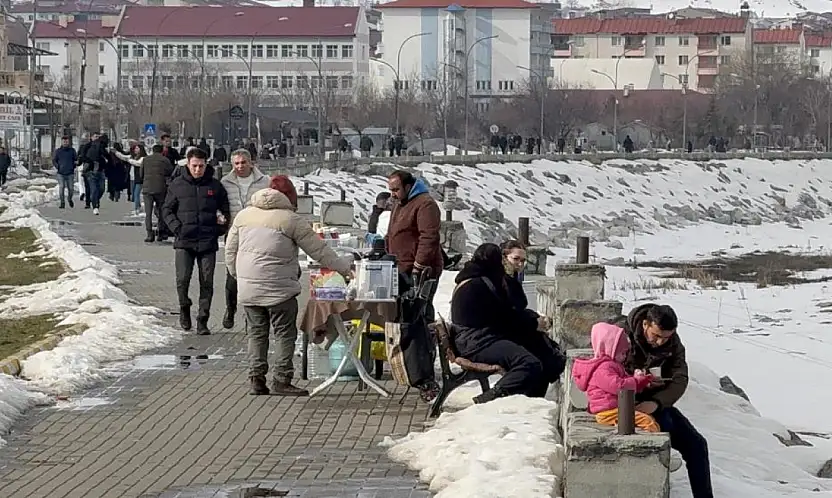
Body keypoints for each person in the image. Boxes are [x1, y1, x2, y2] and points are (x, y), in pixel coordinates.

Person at [225, 175, 352, 396]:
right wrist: (345, 269)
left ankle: (256, 379)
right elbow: (320, 251)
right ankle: (281, 379)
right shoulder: (290, 219)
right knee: (284, 333)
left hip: (248, 289)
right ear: (289, 196)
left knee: (256, 333)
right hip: (279, 290)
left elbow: (229, 250)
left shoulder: (243, 216)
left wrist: (239, 276)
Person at [617, 303, 713, 498]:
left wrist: (657, 402)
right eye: (656, 335)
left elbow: (680, 379)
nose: (661, 342)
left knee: (697, 445)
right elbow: (606, 371)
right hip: (623, 404)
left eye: (666, 337)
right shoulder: (620, 335)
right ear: (645, 324)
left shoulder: (673, 344)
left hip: (656, 402)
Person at [451, 243, 548, 403]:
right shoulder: (479, 285)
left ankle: (525, 401)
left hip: (472, 339)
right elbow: (503, 318)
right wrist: (533, 323)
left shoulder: (472, 279)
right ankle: (491, 397)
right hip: (477, 343)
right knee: (529, 363)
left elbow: (503, 315)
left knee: (535, 350)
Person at [163, 147, 230, 335]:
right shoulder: (177, 184)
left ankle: (203, 320)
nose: (198, 169)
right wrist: (177, 228)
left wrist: (220, 229)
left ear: (206, 164)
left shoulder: (215, 186)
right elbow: (166, 210)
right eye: (194, 166)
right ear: (188, 163)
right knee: (182, 280)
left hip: (207, 242)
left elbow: (225, 211)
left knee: (206, 282)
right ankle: (184, 307)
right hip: (184, 241)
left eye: (201, 166)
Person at [500, 240, 565, 396]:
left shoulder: (512, 278)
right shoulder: (500, 280)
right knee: (541, 352)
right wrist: (533, 322)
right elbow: (507, 313)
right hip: (503, 333)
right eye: (516, 259)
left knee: (545, 347)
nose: (520, 264)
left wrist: (534, 318)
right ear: (504, 257)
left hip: (516, 327)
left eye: (523, 260)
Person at [572, 322, 659, 432]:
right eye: (622, 353)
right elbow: (618, 386)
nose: (624, 357)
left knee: (648, 418)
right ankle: (651, 446)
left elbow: (624, 381)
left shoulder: (611, 365)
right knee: (647, 421)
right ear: (609, 349)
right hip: (607, 412)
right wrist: (636, 381)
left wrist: (641, 381)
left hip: (613, 409)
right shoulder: (602, 368)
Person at [219, 148, 270, 329]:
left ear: (250, 163)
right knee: (232, 274)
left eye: (243, 163)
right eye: (236, 163)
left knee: (255, 275)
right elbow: (219, 204)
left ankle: (253, 316)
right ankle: (230, 309)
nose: (240, 166)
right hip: (233, 232)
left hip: (256, 234)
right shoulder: (225, 182)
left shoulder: (264, 182)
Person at [386, 170, 442, 313]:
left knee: (420, 311)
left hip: (421, 270)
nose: (393, 194)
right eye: (391, 190)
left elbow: (429, 237)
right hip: (401, 267)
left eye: (396, 189)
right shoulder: (399, 203)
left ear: (408, 187)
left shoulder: (425, 204)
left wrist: (419, 265)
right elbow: (392, 232)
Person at [83, 134, 110, 215]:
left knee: (100, 189)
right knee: (95, 189)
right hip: (92, 171)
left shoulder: (98, 146)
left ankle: (94, 200)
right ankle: (95, 206)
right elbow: (83, 156)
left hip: (99, 171)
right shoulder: (94, 146)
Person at [53, 137, 77, 208]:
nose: (65, 143)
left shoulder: (72, 151)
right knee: (61, 187)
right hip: (61, 173)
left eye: (66, 142)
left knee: (71, 188)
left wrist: (73, 166)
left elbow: (76, 159)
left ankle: (69, 199)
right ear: (61, 142)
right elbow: (54, 160)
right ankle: (62, 202)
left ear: (68, 142)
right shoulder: (58, 151)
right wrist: (58, 167)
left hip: (70, 173)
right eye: (64, 141)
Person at [77, 132, 99, 208]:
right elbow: (82, 156)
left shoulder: (100, 146)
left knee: (97, 186)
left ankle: (95, 201)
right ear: (91, 137)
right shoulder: (86, 146)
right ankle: (88, 203)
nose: (97, 138)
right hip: (88, 168)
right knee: (88, 186)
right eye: (95, 136)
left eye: (98, 137)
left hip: (98, 169)